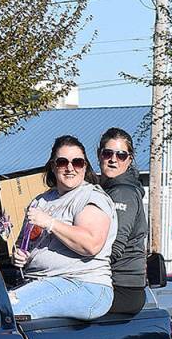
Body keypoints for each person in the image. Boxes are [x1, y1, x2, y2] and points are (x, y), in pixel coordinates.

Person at [11, 135, 117, 321]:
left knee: (10, 311)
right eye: (62, 162)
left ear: (85, 166)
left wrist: (50, 223)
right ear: (53, 166)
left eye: (77, 162)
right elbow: (24, 244)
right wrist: (19, 254)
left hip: (84, 284)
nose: (70, 168)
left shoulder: (90, 197)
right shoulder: (41, 201)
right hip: (39, 281)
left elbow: (91, 244)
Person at [98, 127, 147, 314]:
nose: (113, 159)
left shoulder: (122, 192)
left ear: (129, 159)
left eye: (121, 155)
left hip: (121, 287)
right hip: (112, 284)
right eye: (108, 153)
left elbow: (114, 247)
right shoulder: (104, 190)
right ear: (99, 154)